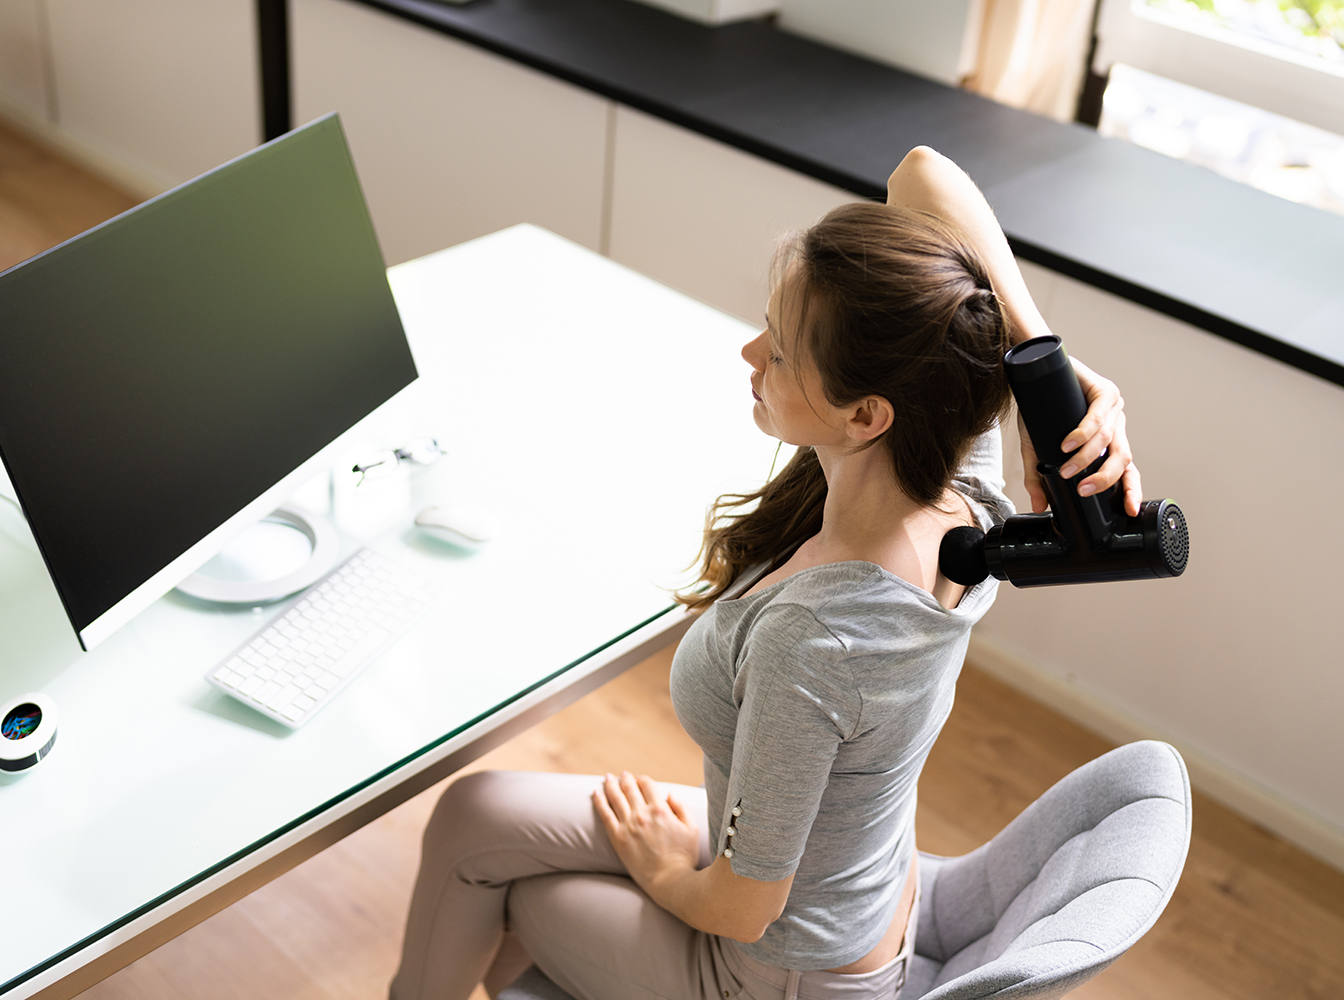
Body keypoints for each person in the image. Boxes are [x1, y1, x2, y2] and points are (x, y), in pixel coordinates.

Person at [388, 146, 1142, 1000]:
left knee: (510, 889)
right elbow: (923, 173)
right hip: (840, 881)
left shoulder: (818, 640)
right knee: (474, 814)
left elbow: (745, 907)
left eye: (780, 352)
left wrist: (669, 871)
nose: (750, 352)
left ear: (864, 414)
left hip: (776, 968)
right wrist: (1044, 374)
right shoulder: (956, 483)